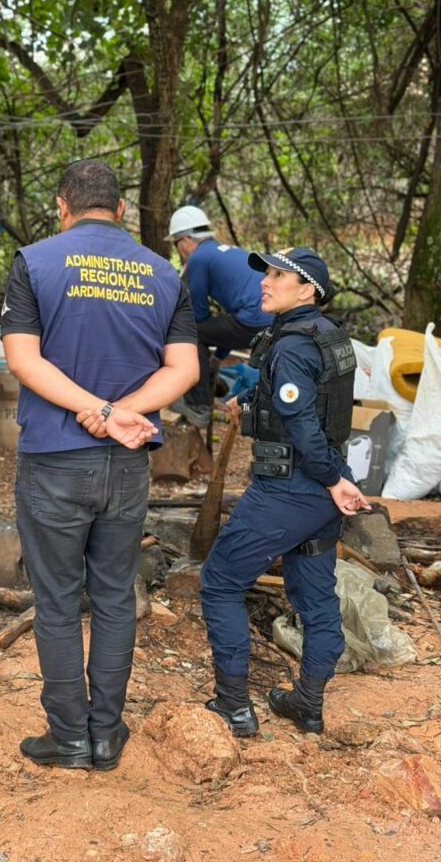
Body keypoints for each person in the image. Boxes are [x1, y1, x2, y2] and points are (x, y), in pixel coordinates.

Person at [1, 159, 199, 771]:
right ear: (121, 210)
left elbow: (23, 360)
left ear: (63, 206)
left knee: (58, 601)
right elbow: (185, 369)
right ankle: (107, 734)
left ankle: (69, 738)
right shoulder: (164, 273)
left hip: (55, 461)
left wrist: (99, 411)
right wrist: (121, 414)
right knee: (114, 596)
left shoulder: (35, 263)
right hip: (128, 464)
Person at [199, 247, 370, 738]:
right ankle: (308, 705)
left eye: (278, 275)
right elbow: (311, 399)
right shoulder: (325, 333)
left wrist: (333, 480)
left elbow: (301, 422)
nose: (265, 282)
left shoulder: (292, 344)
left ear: (307, 290)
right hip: (319, 489)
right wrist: (247, 400)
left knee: (220, 582)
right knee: (315, 598)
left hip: (291, 489)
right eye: (267, 273)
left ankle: (234, 706)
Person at [167, 206, 271, 427]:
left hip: (252, 320)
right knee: (203, 332)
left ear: (185, 240)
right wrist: (217, 357)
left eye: (176, 244)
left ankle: (198, 406)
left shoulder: (198, 258)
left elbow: (198, 312)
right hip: (269, 321)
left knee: (191, 333)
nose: (179, 250)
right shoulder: (226, 251)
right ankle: (205, 392)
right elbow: (231, 318)